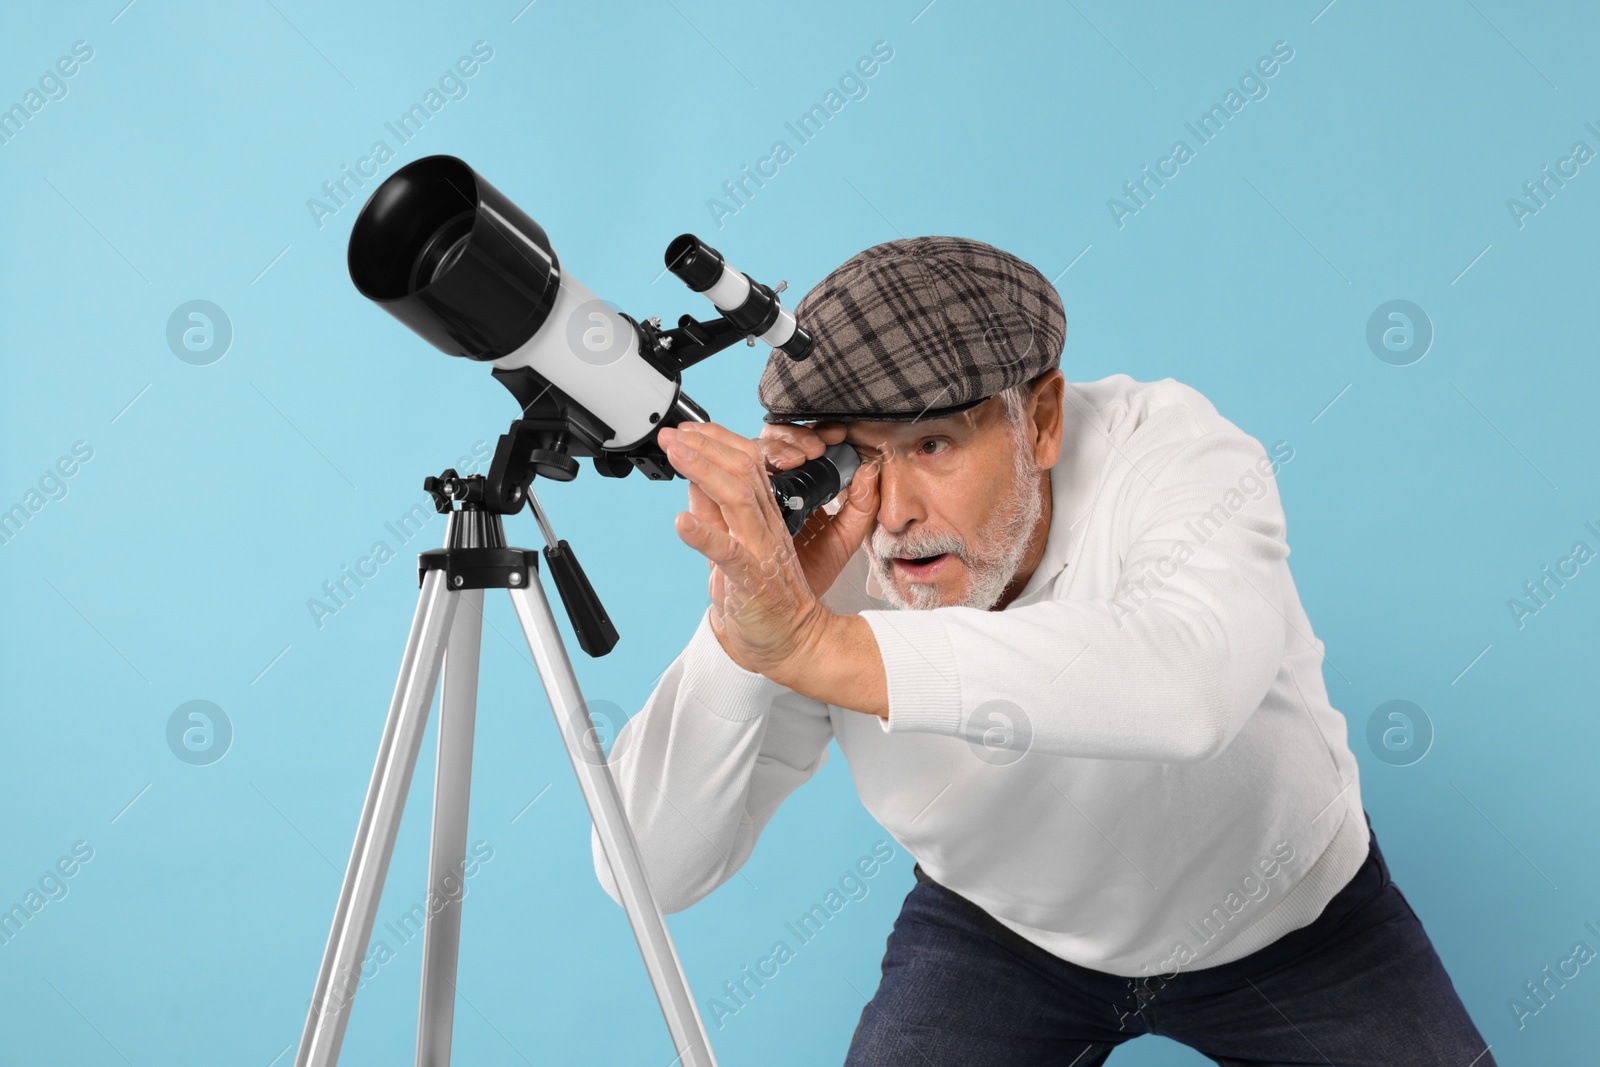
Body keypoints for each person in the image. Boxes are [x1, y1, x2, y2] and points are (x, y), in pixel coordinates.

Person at [591, 235, 1494, 1065]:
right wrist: (745, 631)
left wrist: (820, 646)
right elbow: (651, 869)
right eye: (860, 456)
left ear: (1044, 417)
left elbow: (1190, 688)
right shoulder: (833, 547)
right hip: (1003, 933)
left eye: (933, 442)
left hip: (1292, 922)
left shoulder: (1172, 450)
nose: (895, 512)